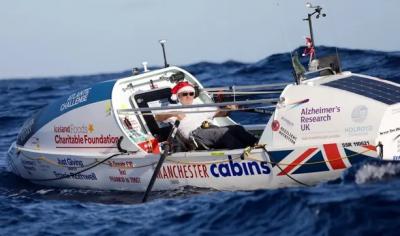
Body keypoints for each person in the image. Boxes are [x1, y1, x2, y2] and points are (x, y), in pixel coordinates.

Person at [154, 81, 258, 150]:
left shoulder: (199, 106)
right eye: (185, 94)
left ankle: (258, 147)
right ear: (178, 96)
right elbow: (158, 117)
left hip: (208, 128)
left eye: (191, 93)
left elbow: (218, 113)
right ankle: (244, 156)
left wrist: (228, 109)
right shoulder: (173, 108)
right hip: (195, 136)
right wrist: (174, 114)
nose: (188, 96)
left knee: (237, 129)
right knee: (223, 133)